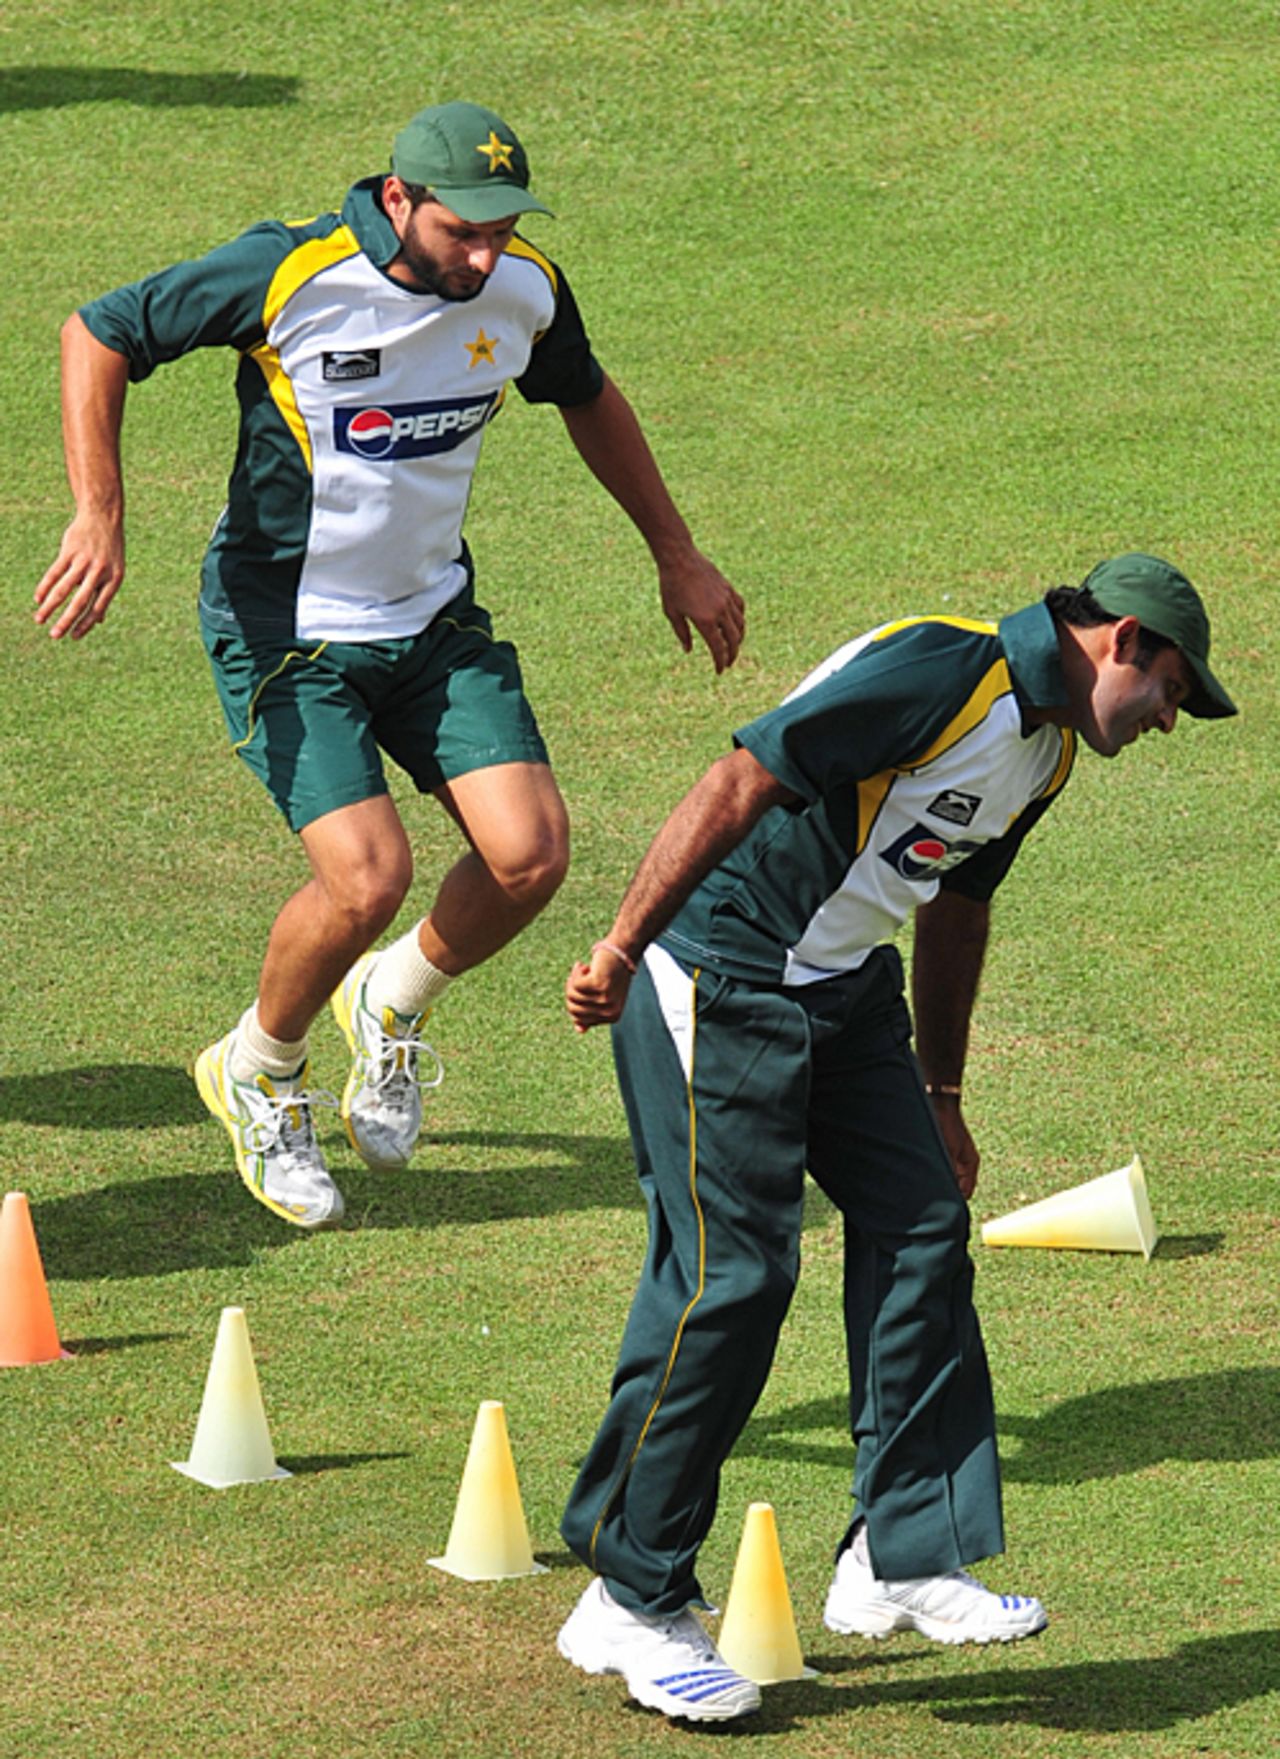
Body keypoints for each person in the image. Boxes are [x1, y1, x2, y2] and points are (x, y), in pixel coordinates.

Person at [33, 100, 744, 1231]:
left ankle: (392, 1000)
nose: (485, 255)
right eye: (464, 230)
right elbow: (99, 331)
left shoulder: (521, 288)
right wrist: (99, 513)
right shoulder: (291, 274)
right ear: (399, 199)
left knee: (531, 854)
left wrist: (676, 552)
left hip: (429, 618)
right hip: (288, 631)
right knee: (366, 876)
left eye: (504, 231)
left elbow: (586, 397)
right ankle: (261, 1069)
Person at [555, 553, 1236, 1723]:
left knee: (922, 1224)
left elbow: (956, 905)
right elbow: (741, 776)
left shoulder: (1049, 747)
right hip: (722, 972)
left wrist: (941, 1090)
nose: (1170, 719)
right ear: (1120, 640)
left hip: (843, 989)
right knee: (732, 1278)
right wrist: (621, 945)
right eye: (1172, 688)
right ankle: (630, 1595)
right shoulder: (947, 669)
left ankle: (899, 1553)